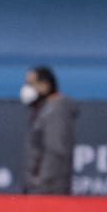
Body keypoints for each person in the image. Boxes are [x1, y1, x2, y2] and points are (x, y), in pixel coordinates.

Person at [22, 65, 77, 194]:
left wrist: (41, 183)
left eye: (31, 84)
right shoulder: (44, 110)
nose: (26, 89)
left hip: (49, 190)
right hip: (40, 188)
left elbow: (55, 151)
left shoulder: (56, 110)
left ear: (45, 85)